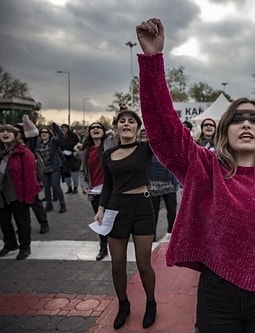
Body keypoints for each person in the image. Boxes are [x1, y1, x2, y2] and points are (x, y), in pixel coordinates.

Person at [136, 17, 255, 332]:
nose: (246, 124)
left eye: (254, 119)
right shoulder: (203, 168)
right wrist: (153, 59)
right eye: (237, 119)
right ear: (225, 130)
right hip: (217, 295)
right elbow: (163, 129)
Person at [94, 109, 157, 329]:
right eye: (122, 121)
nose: (127, 124)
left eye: (132, 121)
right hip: (116, 208)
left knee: (143, 263)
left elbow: (161, 131)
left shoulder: (146, 148)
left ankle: (151, 303)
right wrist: (101, 207)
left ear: (138, 128)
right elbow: (108, 185)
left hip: (142, 207)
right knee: (117, 263)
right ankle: (123, 304)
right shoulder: (108, 155)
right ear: (116, 127)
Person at [0, 124, 41, 260]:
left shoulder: (23, 152)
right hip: (2, 194)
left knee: (22, 222)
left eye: (8, 131)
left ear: (15, 135)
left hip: (18, 194)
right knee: (4, 221)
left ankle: (24, 247)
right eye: (2, 131)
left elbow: (30, 176)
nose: (5, 133)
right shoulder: (1, 152)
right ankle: (10, 244)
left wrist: (29, 197)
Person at [79, 122, 114, 261]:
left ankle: (115, 246)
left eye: (98, 127)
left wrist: (122, 111)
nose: (95, 129)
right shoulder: (85, 151)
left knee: (112, 219)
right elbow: (82, 171)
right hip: (95, 192)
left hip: (110, 189)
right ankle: (103, 247)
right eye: (92, 128)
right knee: (100, 221)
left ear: (103, 131)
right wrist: (84, 186)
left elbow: (118, 133)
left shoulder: (109, 143)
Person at [14, 116, 50, 234]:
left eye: (19, 132)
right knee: (21, 205)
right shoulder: (10, 145)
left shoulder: (30, 143)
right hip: (17, 179)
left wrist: (27, 122)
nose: (17, 134)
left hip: (30, 178)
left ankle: (43, 223)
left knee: (34, 202)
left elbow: (33, 133)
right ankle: (25, 225)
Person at [36, 124, 67, 213]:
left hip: (54, 167)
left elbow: (62, 138)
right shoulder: (38, 143)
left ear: (49, 134)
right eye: (42, 132)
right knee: (46, 188)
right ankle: (49, 204)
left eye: (46, 132)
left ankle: (62, 204)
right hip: (44, 169)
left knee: (55, 186)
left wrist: (56, 127)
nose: (44, 134)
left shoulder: (53, 142)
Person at [60, 124, 81, 194]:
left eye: (65, 128)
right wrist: (62, 152)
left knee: (74, 172)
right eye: (62, 128)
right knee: (66, 173)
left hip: (73, 157)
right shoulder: (59, 136)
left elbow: (77, 144)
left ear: (68, 128)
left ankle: (75, 188)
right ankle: (69, 187)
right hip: (64, 157)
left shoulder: (73, 135)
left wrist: (73, 150)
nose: (64, 129)